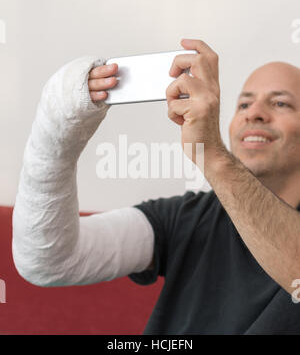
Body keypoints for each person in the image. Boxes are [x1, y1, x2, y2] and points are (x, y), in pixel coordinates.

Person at [12, 39, 300, 335]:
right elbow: (48, 261)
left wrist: (210, 154)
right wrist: (58, 122)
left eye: (280, 103)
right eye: (244, 104)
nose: (253, 113)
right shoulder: (186, 216)